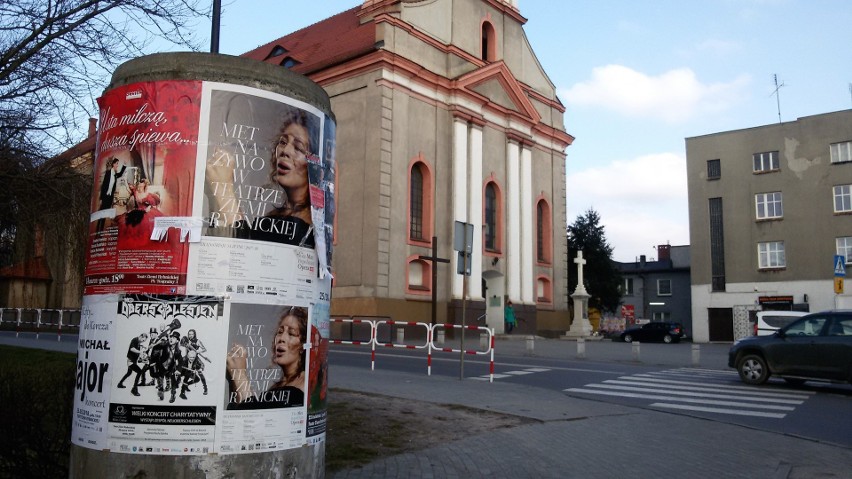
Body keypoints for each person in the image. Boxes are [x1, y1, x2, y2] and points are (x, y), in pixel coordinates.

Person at [226, 306, 307, 409]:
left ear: (303, 346)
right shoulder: (278, 386)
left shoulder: (303, 385)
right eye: (280, 332)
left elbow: (252, 416)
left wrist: (239, 373)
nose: (281, 339)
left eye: (291, 333)